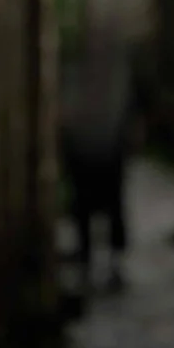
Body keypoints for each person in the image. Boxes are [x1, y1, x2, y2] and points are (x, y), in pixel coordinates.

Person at [59, 23, 135, 292]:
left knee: (109, 208)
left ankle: (111, 264)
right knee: (86, 209)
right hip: (88, 151)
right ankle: (90, 264)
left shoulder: (112, 75)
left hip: (105, 151)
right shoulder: (78, 74)